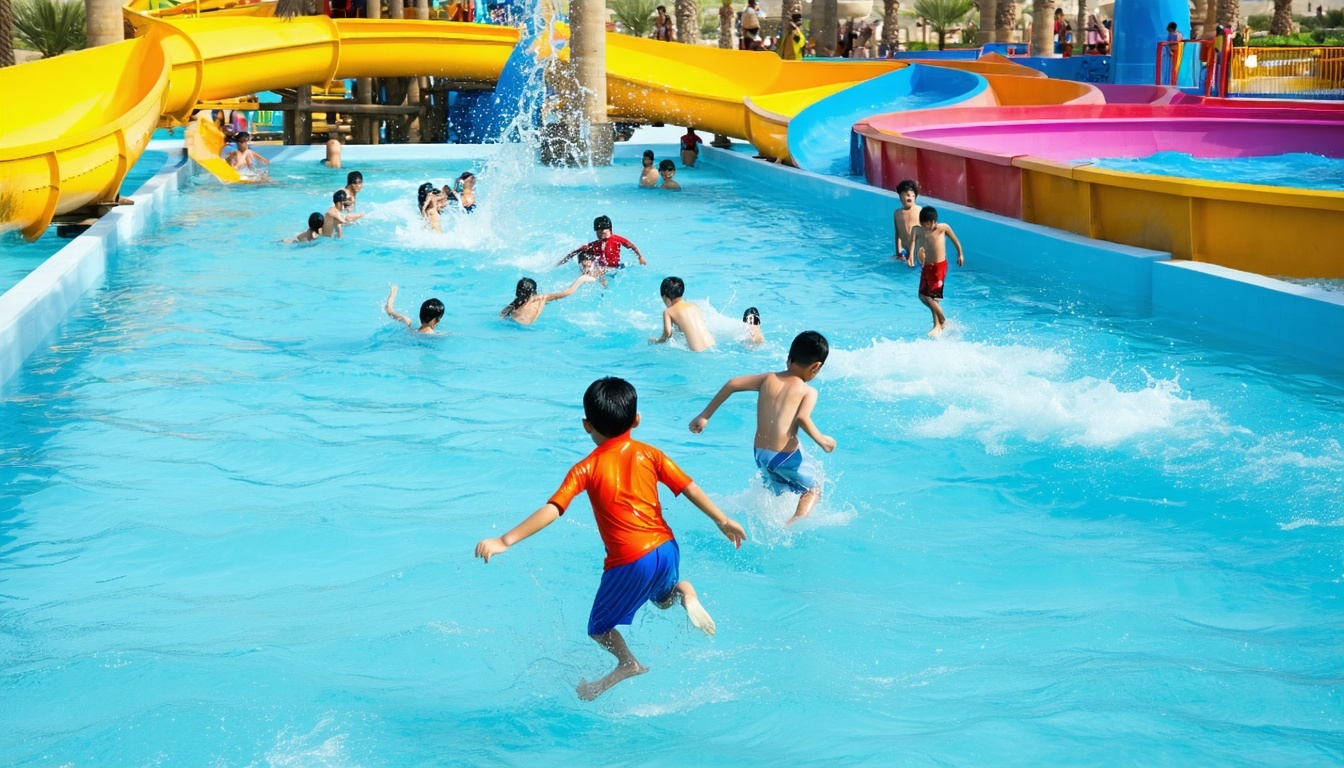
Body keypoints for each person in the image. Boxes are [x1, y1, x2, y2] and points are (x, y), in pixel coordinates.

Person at [474, 377, 746, 701]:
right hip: (666, 548)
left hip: (630, 560)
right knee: (661, 601)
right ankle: (683, 590)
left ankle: (627, 663)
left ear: (586, 425)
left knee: (598, 628)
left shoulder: (585, 468)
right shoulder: (651, 454)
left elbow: (554, 508)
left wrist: (505, 541)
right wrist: (723, 519)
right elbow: (689, 487)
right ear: (637, 420)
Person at [689, 331, 837, 525]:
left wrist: (704, 416)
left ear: (789, 358)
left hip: (760, 454)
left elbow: (732, 383)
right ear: (816, 367)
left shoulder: (768, 379)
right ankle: (792, 525)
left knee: (780, 487)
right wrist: (824, 441)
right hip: (784, 456)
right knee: (812, 490)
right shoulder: (808, 391)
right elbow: (802, 418)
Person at [912, 206, 964, 337]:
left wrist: (960, 254)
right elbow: (916, 244)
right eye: (929, 222)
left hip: (939, 267)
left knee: (933, 297)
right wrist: (913, 257)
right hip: (927, 267)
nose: (933, 225)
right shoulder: (920, 231)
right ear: (922, 223)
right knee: (922, 296)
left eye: (934, 221)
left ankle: (939, 323)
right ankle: (940, 319)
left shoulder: (942, 228)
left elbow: (955, 240)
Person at [557, 215, 648, 276]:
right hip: (602, 267)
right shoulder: (595, 244)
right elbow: (576, 252)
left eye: (602, 231)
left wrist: (640, 257)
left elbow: (632, 246)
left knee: (602, 272)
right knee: (592, 268)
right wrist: (563, 261)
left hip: (614, 268)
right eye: (597, 232)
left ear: (609, 229)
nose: (600, 234)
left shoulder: (618, 239)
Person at [650, 277, 715, 352]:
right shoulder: (693, 306)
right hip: (711, 345)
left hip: (697, 351)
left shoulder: (668, 311)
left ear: (664, 296)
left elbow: (667, 334)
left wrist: (656, 341)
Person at [500, 275, 595, 325]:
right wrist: (580, 279)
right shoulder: (542, 298)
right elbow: (568, 292)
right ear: (534, 289)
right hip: (525, 327)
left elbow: (503, 314)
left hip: (513, 322)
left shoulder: (517, 301)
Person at [892, 179, 921, 267]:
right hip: (907, 251)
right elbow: (898, 234)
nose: (910, 198)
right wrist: (898, 253)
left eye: (913, 195)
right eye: (907, 195)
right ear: (900, 197)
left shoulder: (919, 210)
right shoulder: (897, 213)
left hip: (919, 250)